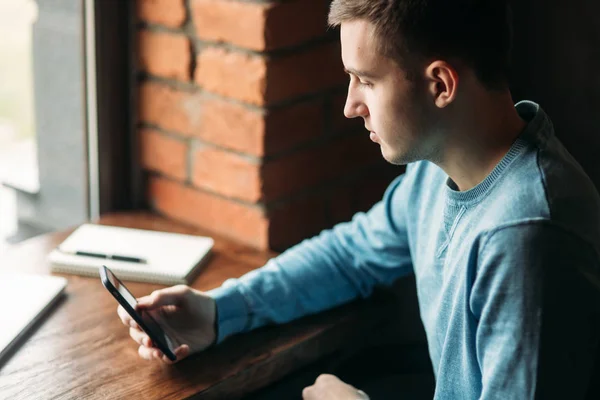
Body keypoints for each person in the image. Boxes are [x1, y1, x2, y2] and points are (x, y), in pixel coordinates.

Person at [118, 0, 600, 398]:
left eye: (366, 80)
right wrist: (221, 311)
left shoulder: (526, 238)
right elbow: (351, 255)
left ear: (440, 84)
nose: (351, 105)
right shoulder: (436, 170)